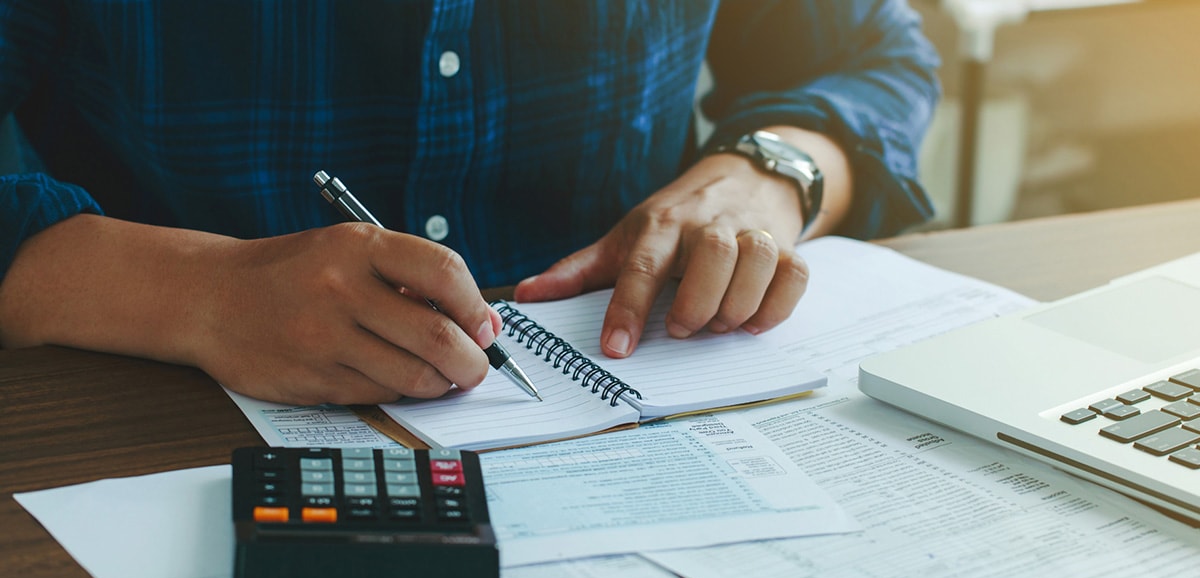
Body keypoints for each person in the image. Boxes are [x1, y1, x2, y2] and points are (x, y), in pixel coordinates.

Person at [0, 1, 939, 406]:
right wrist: (203, 292)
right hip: (151, 436)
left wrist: (766, 172)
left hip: (637, 408)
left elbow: (873, 58)